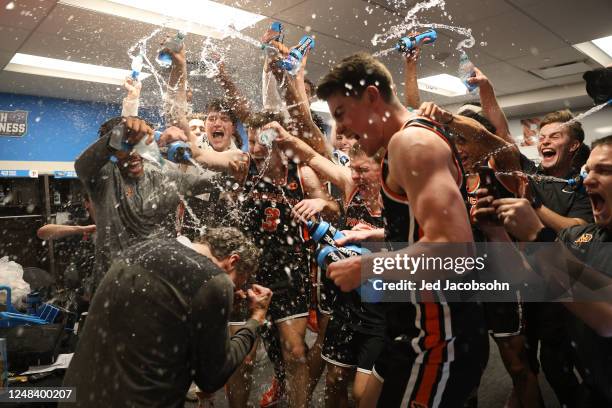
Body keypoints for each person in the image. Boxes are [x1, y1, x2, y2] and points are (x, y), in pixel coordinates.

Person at [312, 52, 489, 407]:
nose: (341, 129)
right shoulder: (406, 143)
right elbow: (428, 230)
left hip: (438, 338)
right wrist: (378, 236)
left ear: (372, 97)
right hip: (418, 329)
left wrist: (366, 266)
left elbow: (455, 247)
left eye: (342, 113)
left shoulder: (411, 143)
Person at [61, 227, 271, 407]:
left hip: (80, 393)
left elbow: (156, 323)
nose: (237, 292)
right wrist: (256, 319)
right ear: (233, 261)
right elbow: (212, 378)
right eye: (238, 284)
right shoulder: (214, 281)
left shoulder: (143, 248)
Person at [473, 135, 612, 405]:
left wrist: (538, 237)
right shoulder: (584, 236)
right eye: (588, 171)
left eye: (605, 171)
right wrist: (497, 234)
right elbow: (528, 280)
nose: (587, 180)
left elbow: (607, 318)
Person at [75, 116, 224, 295]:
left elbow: (211, 182)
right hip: (113, 288)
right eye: (126, 146)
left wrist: (234, 167)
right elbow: (82, 166)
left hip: (157, 287)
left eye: (138, 146)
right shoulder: (103, 176)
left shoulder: (163, 176)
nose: (134, 154)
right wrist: (118, 135)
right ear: (113, 151)